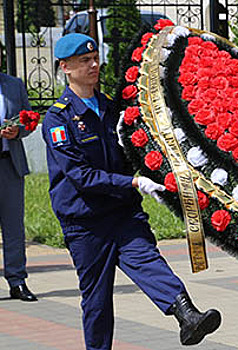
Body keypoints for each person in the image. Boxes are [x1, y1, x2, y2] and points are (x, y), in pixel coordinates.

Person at [42, 33, 221, 350]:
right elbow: (80, 176)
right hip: (86, 223)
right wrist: (133, 183)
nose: (94, 64)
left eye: (95, 58)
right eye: (85, 61)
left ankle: (187, 315)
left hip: (123, 211)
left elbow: (134, 152)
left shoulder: (112, 109)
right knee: (96, 300)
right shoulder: (59, 118)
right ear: (65, 67)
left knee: (148, 261)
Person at [0, 48, 37, 302]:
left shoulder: (14, 84)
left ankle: (17, 281)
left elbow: (30, 118)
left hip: (9, 164)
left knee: (14, 227)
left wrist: (19, 130)